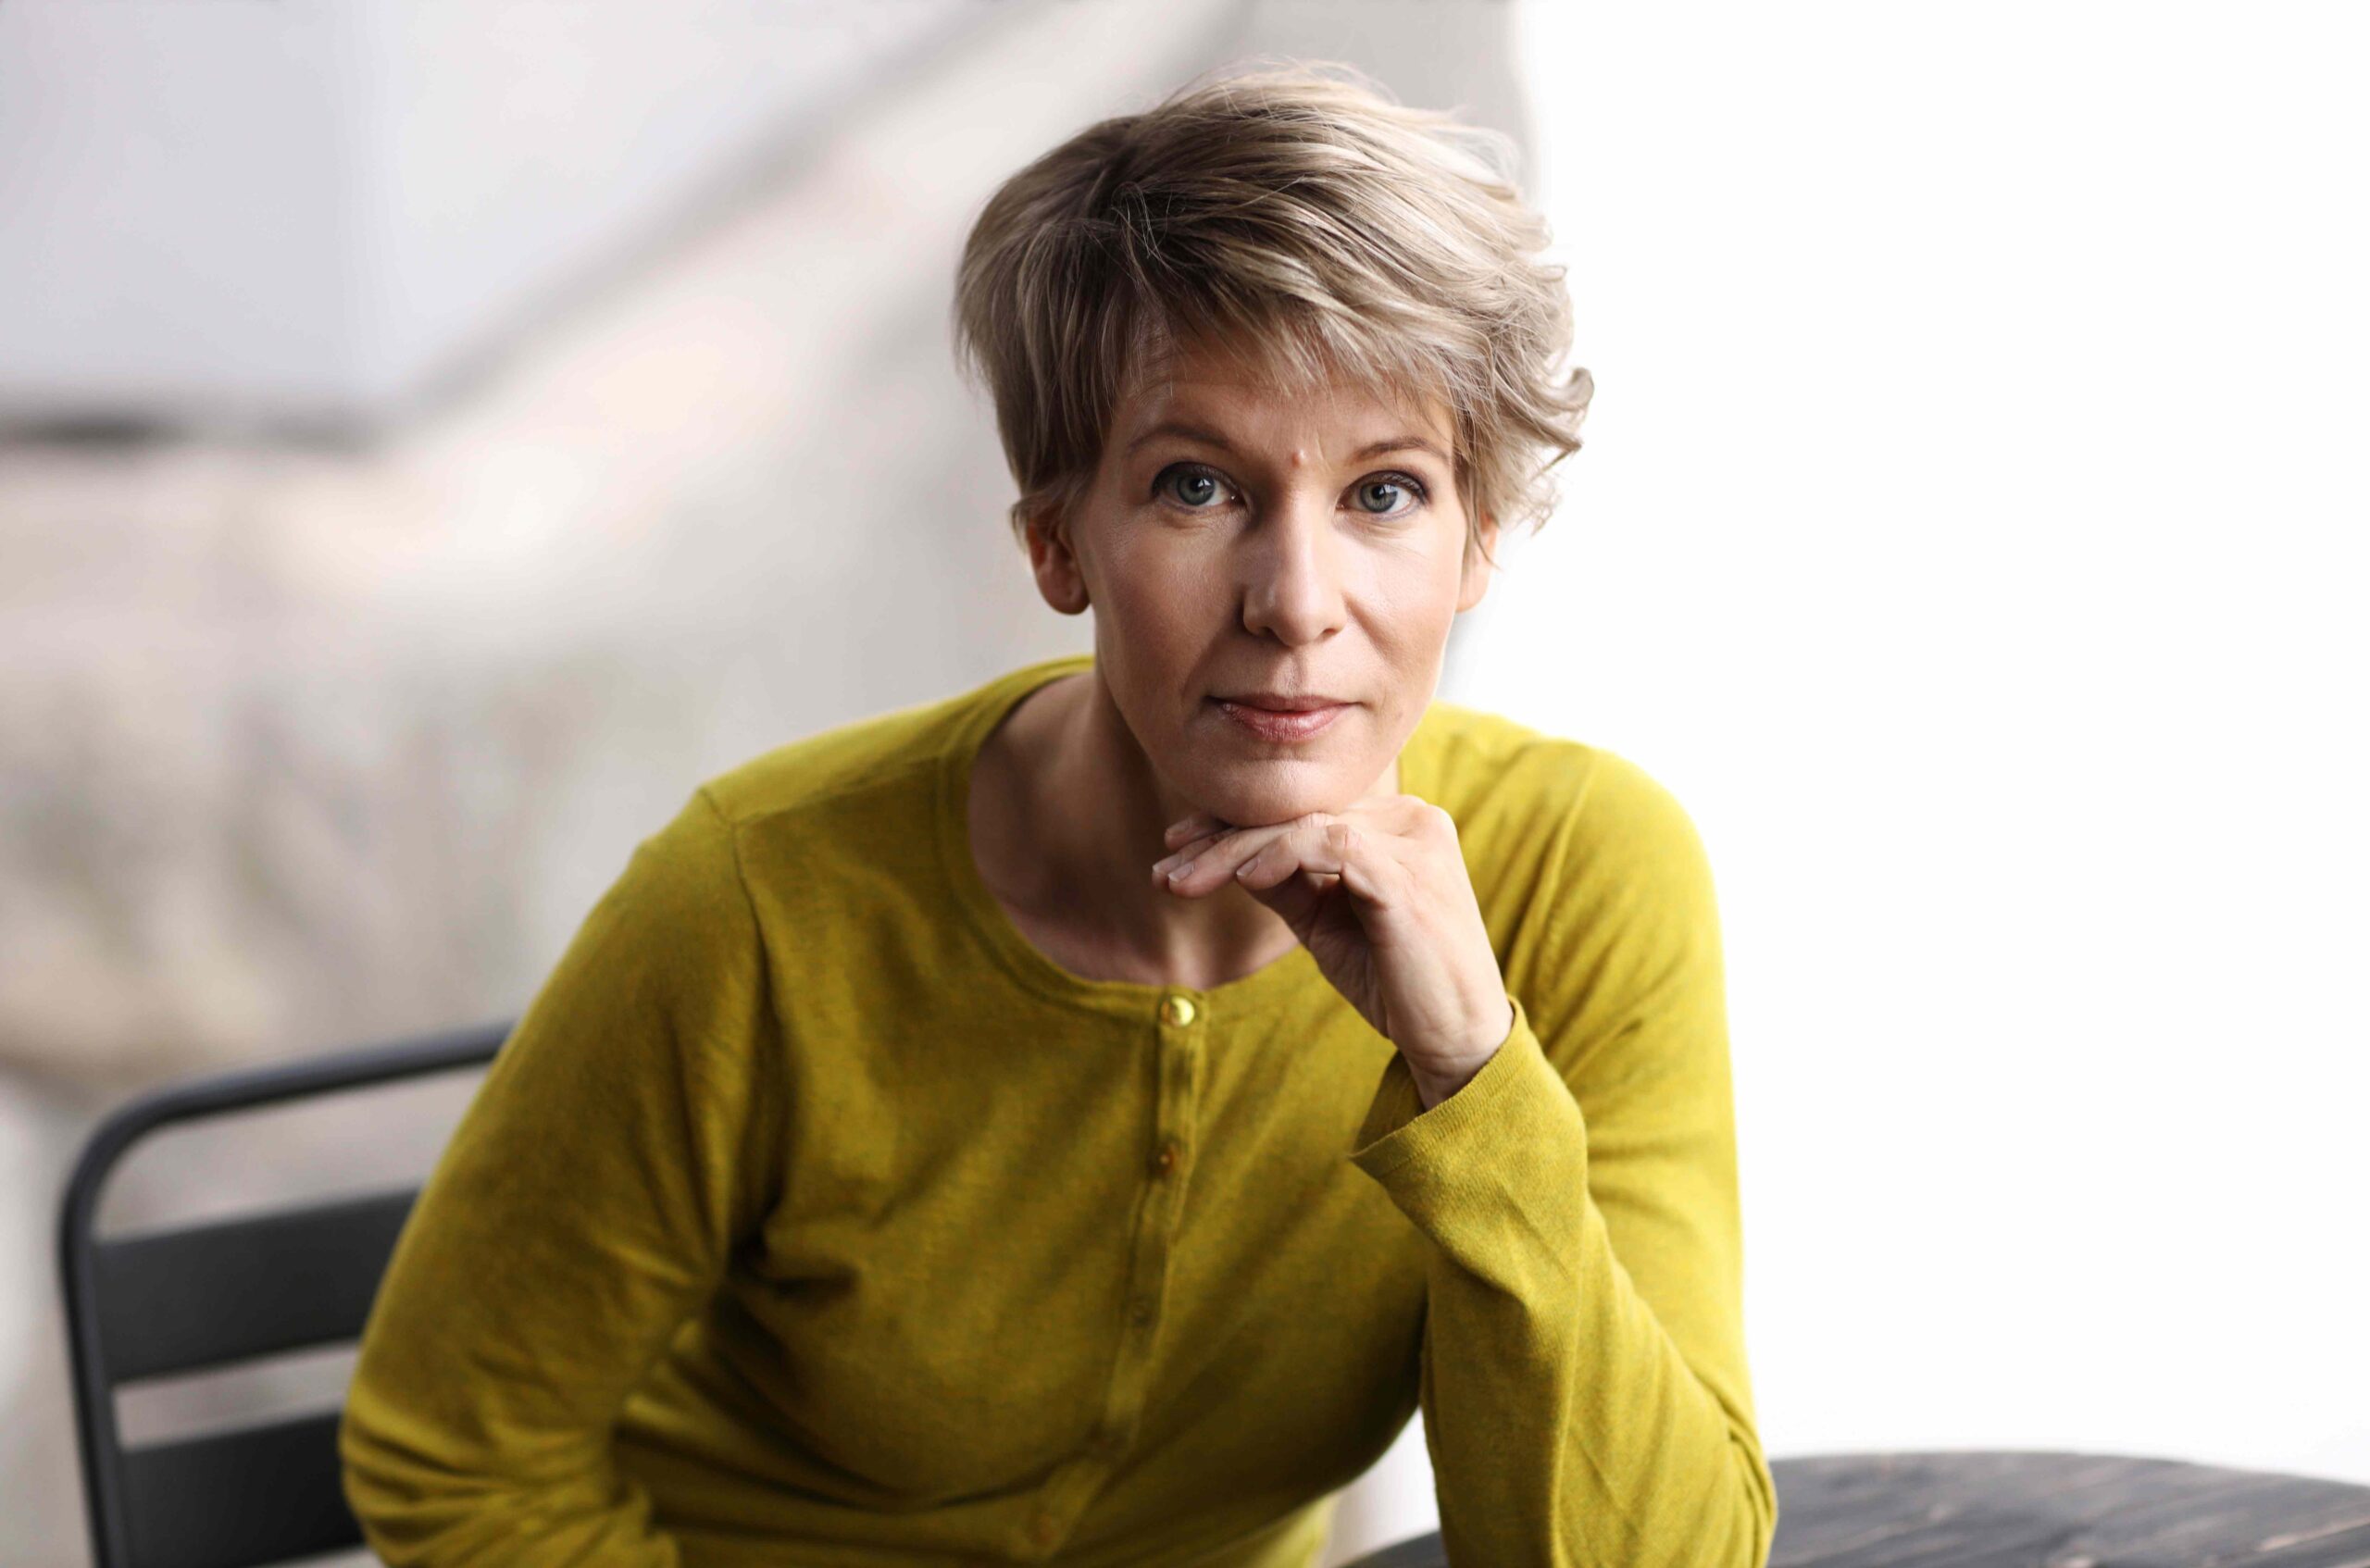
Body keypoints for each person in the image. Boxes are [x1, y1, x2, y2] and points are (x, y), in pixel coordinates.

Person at [340, 63, 1778, 1568]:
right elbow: (454, 1455)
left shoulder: (1584, 876)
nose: (1296, 604)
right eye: (1198, 487)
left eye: (1385, 494)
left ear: (1479, 537)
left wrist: (1473, 1071)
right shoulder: (759, 903)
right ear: (1056, 542)